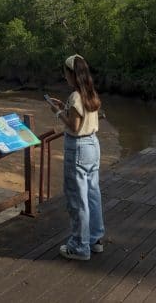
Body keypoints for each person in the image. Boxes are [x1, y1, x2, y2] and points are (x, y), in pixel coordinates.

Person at [46, 53, 105, 261]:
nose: (64, 77)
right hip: (93, 146)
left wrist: (56, 111)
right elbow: (80, 116)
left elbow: (74, 126)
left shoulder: (75, 96)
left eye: (66, 73)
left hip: (78, 148)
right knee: (92, 194)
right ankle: (95, 239)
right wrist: (64, 107)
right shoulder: (89, 93)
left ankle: (80, 247)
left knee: (76, 198)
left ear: (72, 74)